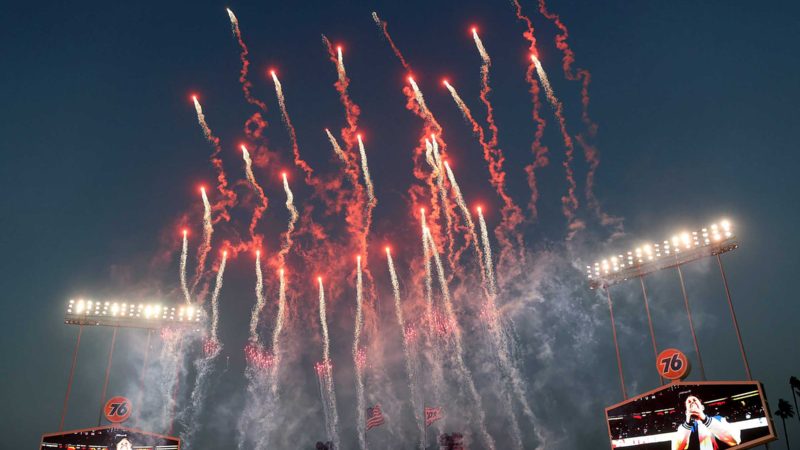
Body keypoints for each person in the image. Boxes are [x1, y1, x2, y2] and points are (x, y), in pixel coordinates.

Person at [672, 394, 741, 450]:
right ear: (686, 412)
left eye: (694, 400)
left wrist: (705, 419)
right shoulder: (682, 428)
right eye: (689, 402)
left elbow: (735, 440)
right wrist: (687, 424)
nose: (692, 402)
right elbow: (677, 448)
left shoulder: (718, 419)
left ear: (702, 407)